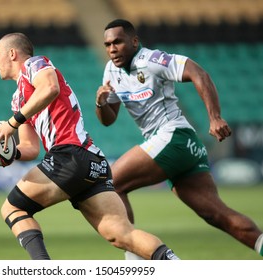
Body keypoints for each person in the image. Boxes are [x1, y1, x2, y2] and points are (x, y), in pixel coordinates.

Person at [0, 32, 180, 260]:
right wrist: (8, 153)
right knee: (121, 234)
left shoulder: (35, 64)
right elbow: (30, 147)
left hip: (70, 155)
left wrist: (11, 123)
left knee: (12, 208)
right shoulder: (18, 100)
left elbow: (50, 88)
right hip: (91, 161)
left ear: (12, 53)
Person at [95, 19, 263, 260]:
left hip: (173, 135)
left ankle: (138, 261)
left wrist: (214, 118)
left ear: (134, 41)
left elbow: (197, 72)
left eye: (118, 42)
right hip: (180, 147)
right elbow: (108, 119)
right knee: (218, 215)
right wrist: (101, 102)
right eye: (108, 44)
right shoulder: (111, 71)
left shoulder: (151, 60)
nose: (112, 49)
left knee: (111, 183)